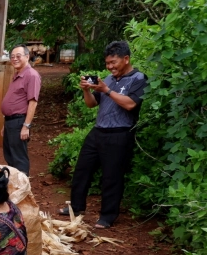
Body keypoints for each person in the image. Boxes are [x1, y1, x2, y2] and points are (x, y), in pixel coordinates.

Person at [58, 41, 147, 229]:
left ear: (126, 59)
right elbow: (91, 104)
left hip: (120, 133)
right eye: (107, 63)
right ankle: (76, 207)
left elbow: (131, 104)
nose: (110, 66)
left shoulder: (138, 78)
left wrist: (107, 90)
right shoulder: (107, 79)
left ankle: (107, 216)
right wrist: (86, 90)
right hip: (98, 130)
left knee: (112, 176)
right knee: (82, 169)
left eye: (113, 62)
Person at [1, 44, 41, 175]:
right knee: (10, 155)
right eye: (12, 56)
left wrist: (26, 126)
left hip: (19, 122)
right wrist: (5, 124)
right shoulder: (17, 75)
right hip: (10, 122)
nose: (15, 59)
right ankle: (14, 185)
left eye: (18, 56)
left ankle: (23, 190)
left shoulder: (31, 75)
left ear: (27, 57)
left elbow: (33, 103)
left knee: (19, 158)